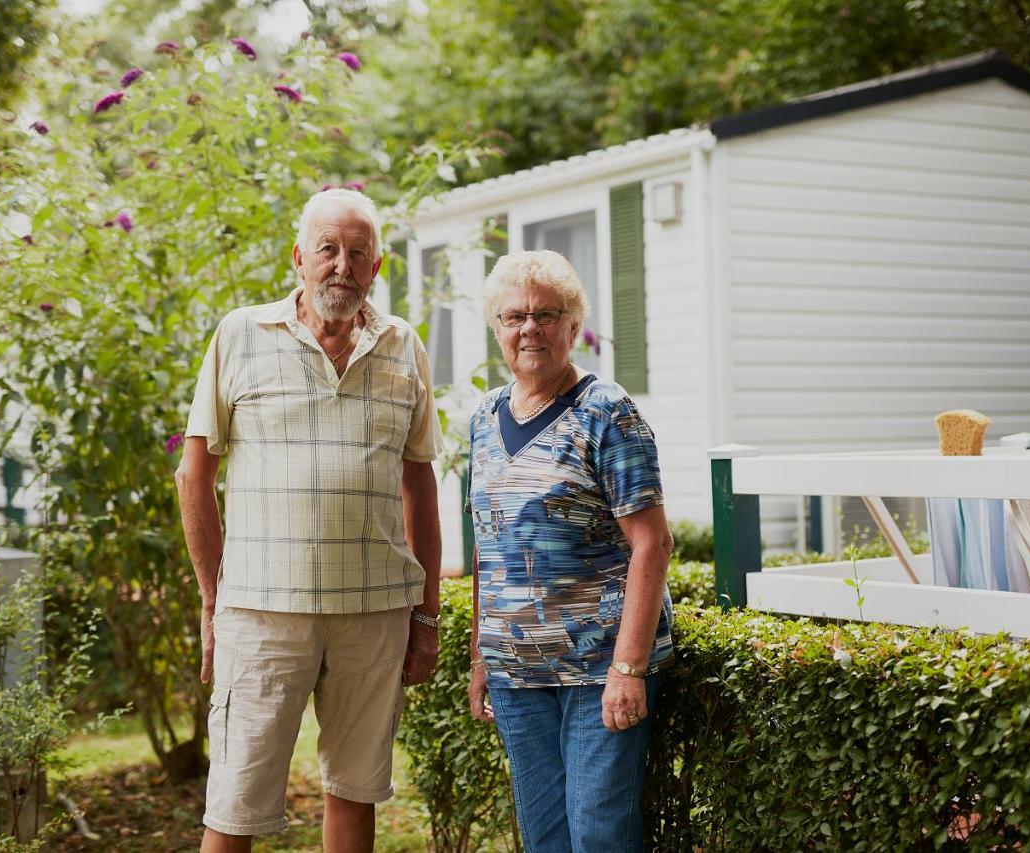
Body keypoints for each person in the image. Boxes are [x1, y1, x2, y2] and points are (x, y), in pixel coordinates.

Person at [175, 188, 443, 853]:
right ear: (299, 257)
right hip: (262, 612)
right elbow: (194, 475)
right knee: (235, 803)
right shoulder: (241, 334)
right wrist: (214, 597)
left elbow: (420, 482)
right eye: (328, 249)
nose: (342, 266)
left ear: (377, 268)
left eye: (359, 253)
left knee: (355, 791)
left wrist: (428, 613)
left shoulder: (403, 347)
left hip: (373, 614)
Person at [465, 250, 674, 852]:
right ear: (497, 328)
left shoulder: (607, 411)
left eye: (546, 314)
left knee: (598, 835)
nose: (529, 328)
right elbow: (488, 544)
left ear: (571, 323)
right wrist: (482, 658)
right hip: (515, 674)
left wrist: (628, 669)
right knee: (546, 837)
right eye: (514, 317)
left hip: (597, 669)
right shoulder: (483, 418)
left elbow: (652, 543)